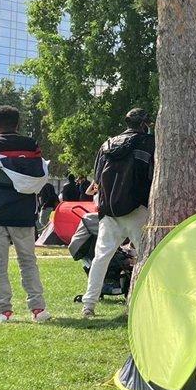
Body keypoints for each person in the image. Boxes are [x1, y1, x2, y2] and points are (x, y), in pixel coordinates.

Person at [0, 105, 50, 323]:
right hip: (23, 213)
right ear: (18, 124)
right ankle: (38, 309)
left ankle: (2, 311)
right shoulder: (31, 145)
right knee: (28, 261)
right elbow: (37, 175)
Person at [78, 108, 155, 319]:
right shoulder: (149, 143)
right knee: (146, 257)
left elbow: (96, 180)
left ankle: (89, 304)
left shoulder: (107, 144)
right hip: (137, 208)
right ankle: (147, 301)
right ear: (144, 124)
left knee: (101, 257)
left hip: (109, 211)